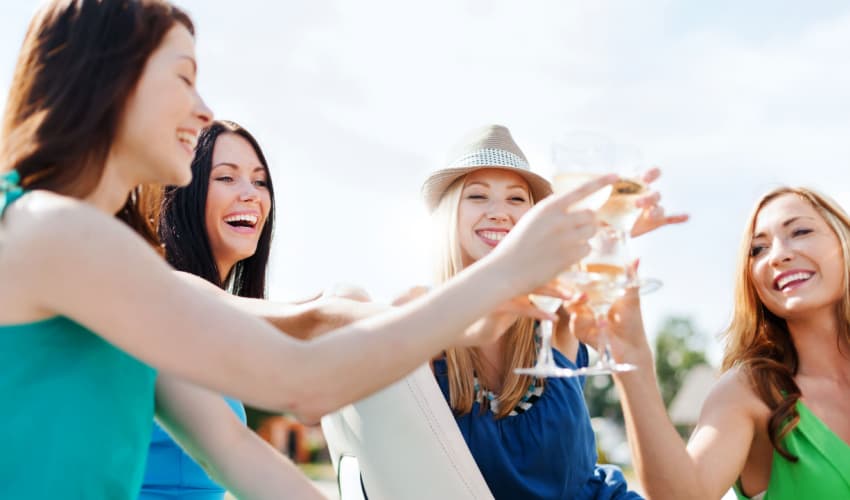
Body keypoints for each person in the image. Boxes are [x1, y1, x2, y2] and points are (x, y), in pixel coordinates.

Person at [0, 2, 613, 498]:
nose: (204, 108)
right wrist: (503, 273)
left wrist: (479, 309)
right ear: (110, 80)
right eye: (185, 76)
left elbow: (241, 451)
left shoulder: (120, 270)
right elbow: (303, 383)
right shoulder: (52, 229)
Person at [418, 124, 682, 499]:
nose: (499, 213)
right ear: (449, 214)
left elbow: (587, 259)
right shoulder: (422, 330)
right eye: (477, 196)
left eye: (516, 200)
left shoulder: (556, 312)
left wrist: (612, 224)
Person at [598, 186, 850, 499]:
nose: (778, 255)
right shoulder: (749, 392)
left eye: (799, 231)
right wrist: (631, 354)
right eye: (757, 249)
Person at [139, 119, 276, 499]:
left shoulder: (213, 324)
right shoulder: (168, 305)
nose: (251, 194)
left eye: (260, 180)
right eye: (226, 178)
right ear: (182, 192)